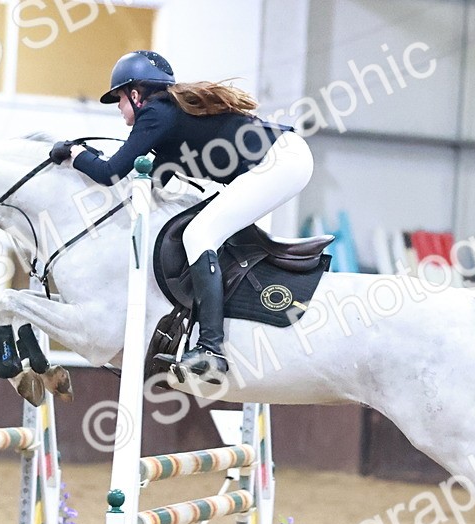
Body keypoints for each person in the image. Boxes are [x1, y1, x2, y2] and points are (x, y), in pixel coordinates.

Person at [50, 50, 314, 379]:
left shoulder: (157, 112)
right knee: (203, 229)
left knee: (199, 234)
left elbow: (109, 173)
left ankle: (211, 348)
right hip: (285, 157)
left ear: (136, 94)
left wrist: (74, 153)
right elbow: (140, 184)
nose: (118, 107)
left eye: (119, 98)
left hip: (281, 162)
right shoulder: (168, 122)